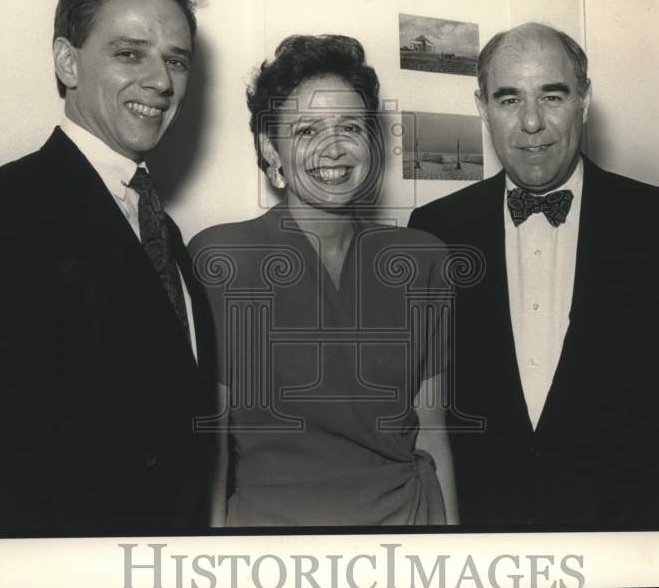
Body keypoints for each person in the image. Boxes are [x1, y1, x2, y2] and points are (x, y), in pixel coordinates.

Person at [408, 22, 659, 528]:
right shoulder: (435, 230)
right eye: (508, 99)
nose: (531, 123)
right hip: (486, 551)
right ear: (482, 107)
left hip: (634, 550)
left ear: (584, 101)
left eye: (552, 95)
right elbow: (424, 419)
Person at [0, 0, 215, 536]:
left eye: (175, 60)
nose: (160, 80)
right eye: (130, 52)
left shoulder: (159, 227)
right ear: (67, 61)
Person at [189, 35, 458, 526]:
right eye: (308, 130)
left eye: (350, 127)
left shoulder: (422, 260)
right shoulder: (222, 259)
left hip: (409, 533)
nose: (334, 148)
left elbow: (433, 431)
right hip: (270, 546)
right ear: (272, 152)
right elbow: (211, 450)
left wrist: (455, 557)